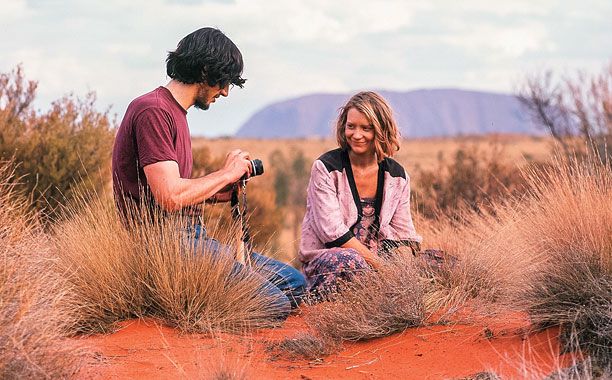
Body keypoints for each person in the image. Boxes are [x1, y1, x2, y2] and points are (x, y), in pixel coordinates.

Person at [111, 27, 305, 319]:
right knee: (274, 305)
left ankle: (215, 295)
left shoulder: (175, 112)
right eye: (223, 80)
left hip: (193, 238)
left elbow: (174, 190)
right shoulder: (152, 110)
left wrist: (225, 191)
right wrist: (226, 174)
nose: (225, 91)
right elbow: (170, 196)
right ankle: (191, 314)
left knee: (296, 285)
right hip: (167, 245)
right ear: (205, 70)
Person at [299, 91, 422, 298]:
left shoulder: (397, 176)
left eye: (366, 128)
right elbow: (333, 234)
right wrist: (382, 268)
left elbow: (404, 233)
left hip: (378, 260)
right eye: (351, 126)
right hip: (331, 259)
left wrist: (403, 264)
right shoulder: (326, 168)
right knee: (350, 263)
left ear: (381, 131)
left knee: (436, 261)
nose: (356, 135)